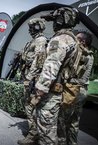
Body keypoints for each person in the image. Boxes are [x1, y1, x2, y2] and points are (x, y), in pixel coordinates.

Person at [33, 7, 80, 145]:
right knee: (60, 133)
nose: (53, 23)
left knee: (46, 132)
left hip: (51, 93)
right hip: (61, 92)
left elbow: (50, 68)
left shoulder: (60, 40)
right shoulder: (72, 39)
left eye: (55, 20)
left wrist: (39, 92)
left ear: (60, 21)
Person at [57, 31, 94, 145]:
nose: (74, 40)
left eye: (76, 38)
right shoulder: (90, 55)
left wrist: (65, 79)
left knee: (62, 120)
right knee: (74, 122)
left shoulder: (85, 55)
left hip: (73, 92)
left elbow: (81, 79)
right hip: (81, 91)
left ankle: (62, 142)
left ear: (82, 41)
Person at [18, 18, 47, 145]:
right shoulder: (33, 41)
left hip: (33, 80)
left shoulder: (40, 40)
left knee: (30, 106)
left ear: (38, 27)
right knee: (29, 106)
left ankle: (33, 135)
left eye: (33, 27)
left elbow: (38, 61)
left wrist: (29, 77)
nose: (30, 29)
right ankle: (34, 133)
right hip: (30, 79)